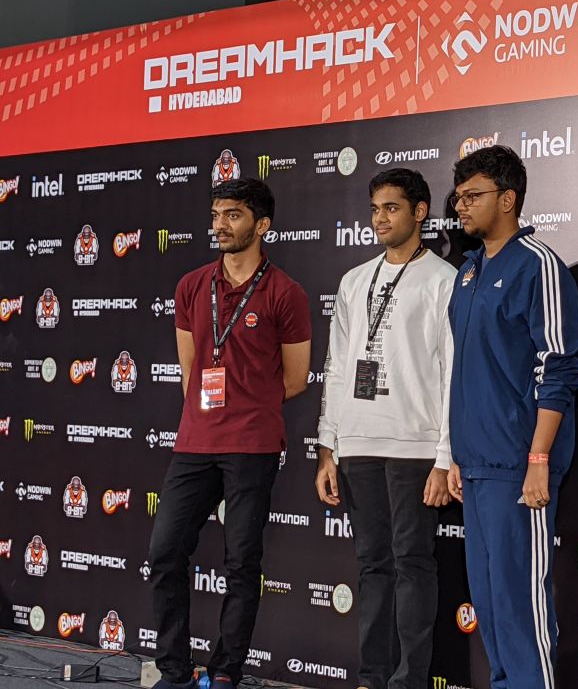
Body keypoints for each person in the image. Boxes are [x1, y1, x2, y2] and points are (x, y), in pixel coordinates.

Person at [147, 178, 311, 689]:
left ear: (262, 225)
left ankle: (225, 672)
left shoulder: (285, 293)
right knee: (164, 553)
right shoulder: (191, 286)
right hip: (195, 442)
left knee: (241, 563)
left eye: (233, 214)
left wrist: (248, 405)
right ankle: (174, 671)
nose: (219, 224)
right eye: (216, 214)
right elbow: (190, 369)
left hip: (252, 446)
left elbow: (295, 379)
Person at [447, 145, 578, 689]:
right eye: (458, 197)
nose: (461, 206)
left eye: (472, 195)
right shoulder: (469, 269)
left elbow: (558, 368)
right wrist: (457, 456)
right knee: (490, 604)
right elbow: (465, 369)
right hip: (477, 464)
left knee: (521, 606)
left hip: (519, 465)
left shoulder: (538, 265)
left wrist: (538, 459)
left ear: (508, 199)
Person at [314, 168, 454, 689]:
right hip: (357, 445)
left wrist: (444, 456)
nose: (380, 219)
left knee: (412, 563)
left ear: (420, 212)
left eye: (391, 208)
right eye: (375, 209)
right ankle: (372, 678)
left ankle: (408, 681)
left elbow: (452, 373)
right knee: (372, 565)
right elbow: (336, 367)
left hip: (415, 446)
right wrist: (328, 447)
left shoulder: (443, 280)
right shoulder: (354, 281)